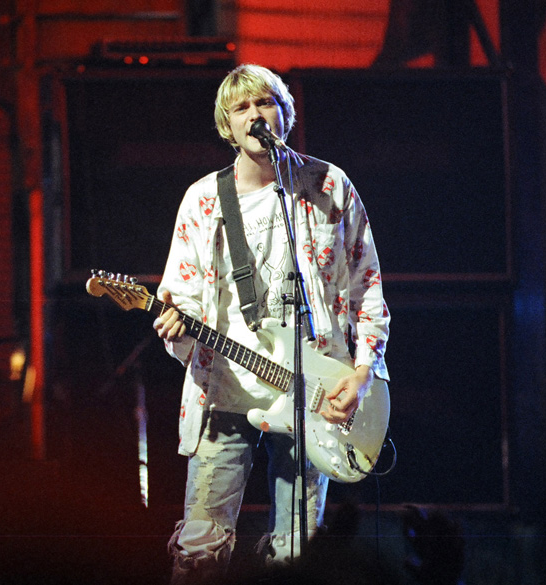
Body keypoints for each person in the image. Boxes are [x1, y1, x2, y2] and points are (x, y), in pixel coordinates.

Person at [152, 64, 390, 583]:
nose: (255, 115)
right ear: (227, 126)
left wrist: (364, 372)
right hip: (226, 390)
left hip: (314, 392)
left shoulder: (329, 185)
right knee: (200, 553)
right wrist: (176, 325)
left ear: (285, 112)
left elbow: (366, 284)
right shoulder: (203, 200)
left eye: (266, 103)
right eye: (241, 108)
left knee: (298, 555)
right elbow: (181, 294)